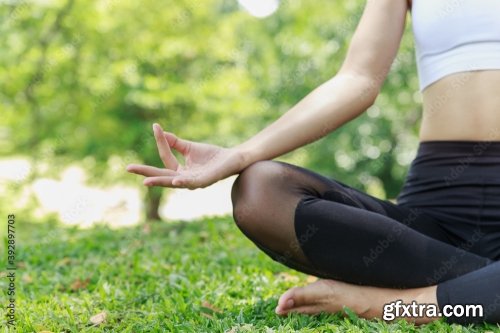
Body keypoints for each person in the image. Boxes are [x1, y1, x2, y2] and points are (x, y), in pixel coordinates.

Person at [127, 0, 500, 325]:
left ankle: (395, 305)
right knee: (261, 190)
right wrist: (242, 153)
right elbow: (358, 78)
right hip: (434, 212)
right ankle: (480, 291)